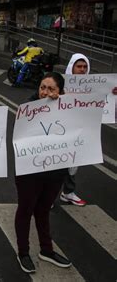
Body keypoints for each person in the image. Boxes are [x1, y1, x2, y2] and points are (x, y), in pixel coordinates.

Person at [15, 72, 72, 274]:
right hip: (29, 171)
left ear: (60, 92)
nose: (45, 92)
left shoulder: (67, 108)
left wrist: (64, 103)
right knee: (25, 210)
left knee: (43, 210)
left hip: (55, 172)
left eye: (50, 89)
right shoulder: (29, 107)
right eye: (42, 87)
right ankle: (23, 253)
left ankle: (46, 250)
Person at [61, 53, 91, 206]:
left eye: (85, 67)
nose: (82, 69)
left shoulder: (93, 88)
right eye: (79, 66)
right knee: (55, 164)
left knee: (73, 163)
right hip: (59, 132)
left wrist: (112, 95)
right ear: (71, 67)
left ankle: (68, 192)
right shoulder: (60, 84)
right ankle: (47, 197)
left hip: (78, 132)